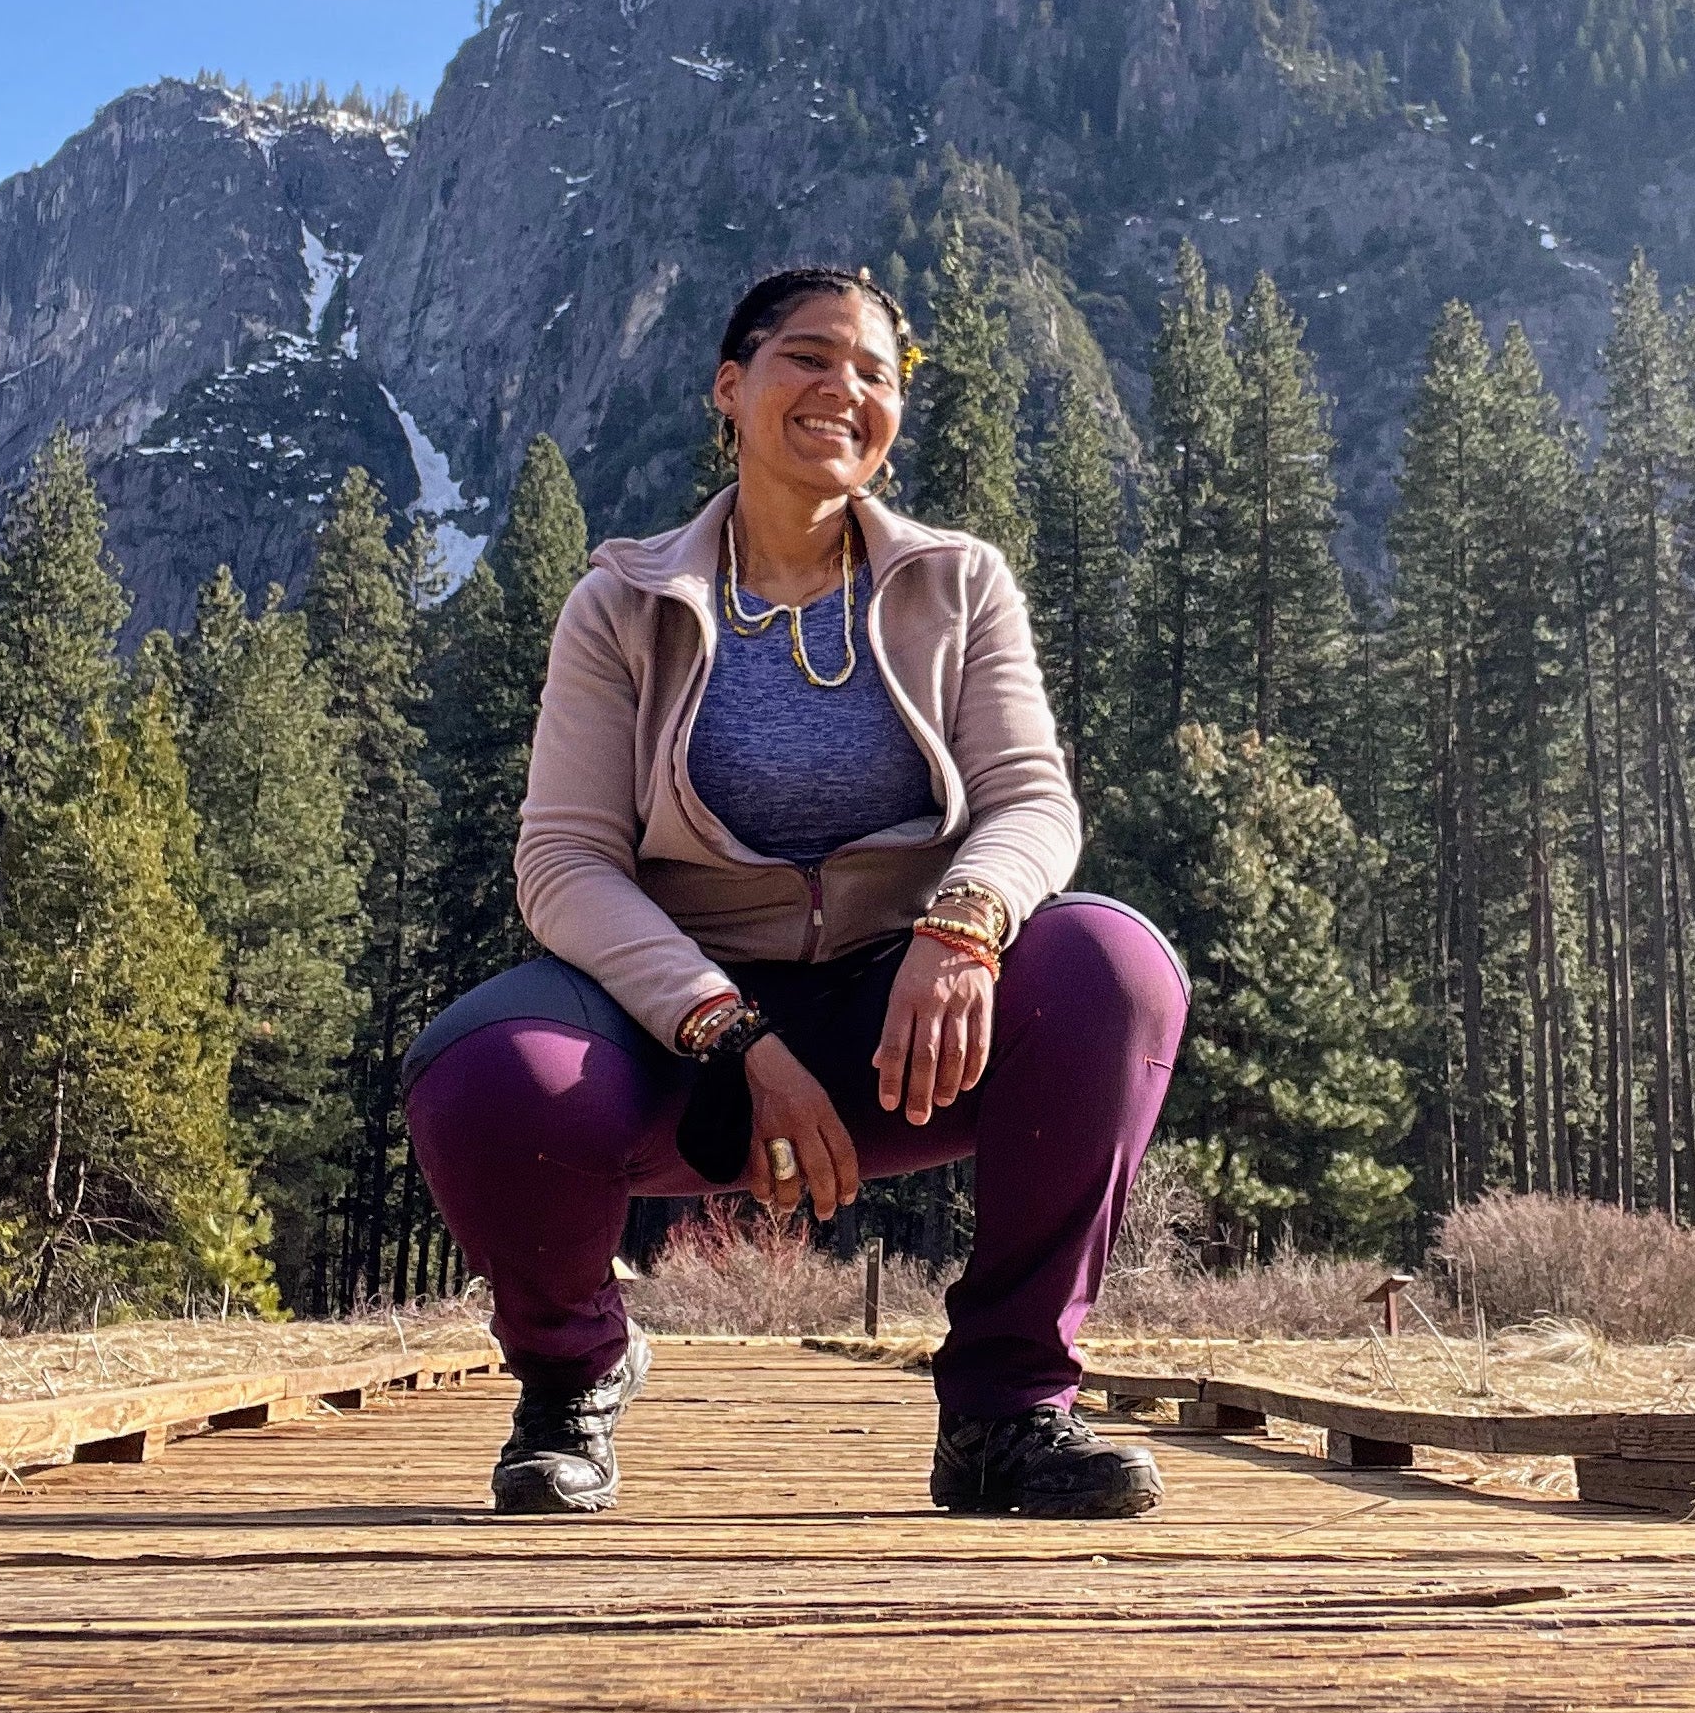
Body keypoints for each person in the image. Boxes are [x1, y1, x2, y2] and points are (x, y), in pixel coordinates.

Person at [403, 263, 1188, 1518]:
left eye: (874, 371)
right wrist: (727, 1028)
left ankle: (1008, 1404)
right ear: (732, 386)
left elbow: (1032, 800)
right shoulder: (620, 603)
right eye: (808, 357)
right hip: (678, 1038)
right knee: (488, 1071)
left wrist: (962, 922)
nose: (844, 389)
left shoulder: (958, 581)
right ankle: (572, 1376)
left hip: (905, 1026)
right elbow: (562, 861)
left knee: (1112, 966)